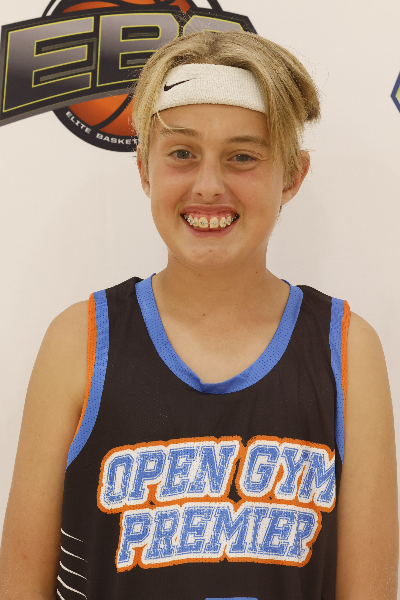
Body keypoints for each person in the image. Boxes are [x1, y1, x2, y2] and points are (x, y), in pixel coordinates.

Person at [0, 29, 398, 600]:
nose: (208, 186)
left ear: (292, 174)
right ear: (144, 168)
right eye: (182, 154)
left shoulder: (347, 350)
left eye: (243, 157)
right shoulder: (79, 342)